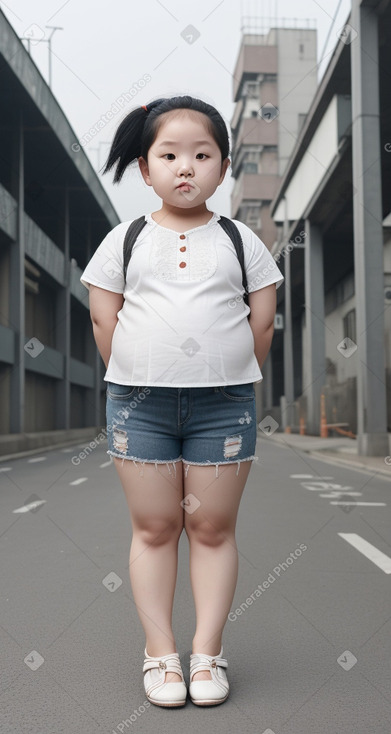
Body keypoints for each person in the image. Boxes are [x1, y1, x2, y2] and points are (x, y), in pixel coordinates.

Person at [80, 95, 284, 708]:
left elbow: (264, 318)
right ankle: (161, 655)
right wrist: (137, 376)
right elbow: (102, 315)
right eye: (169, 155)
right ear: (146, 169)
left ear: (223, 167)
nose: (186, 167)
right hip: (138, 406)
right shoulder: (127, 238)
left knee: (213, 528)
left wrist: (230, 377)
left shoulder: (241, 238)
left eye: (202, 155)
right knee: (155, 526)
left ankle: (208, 654)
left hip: (223, 405)